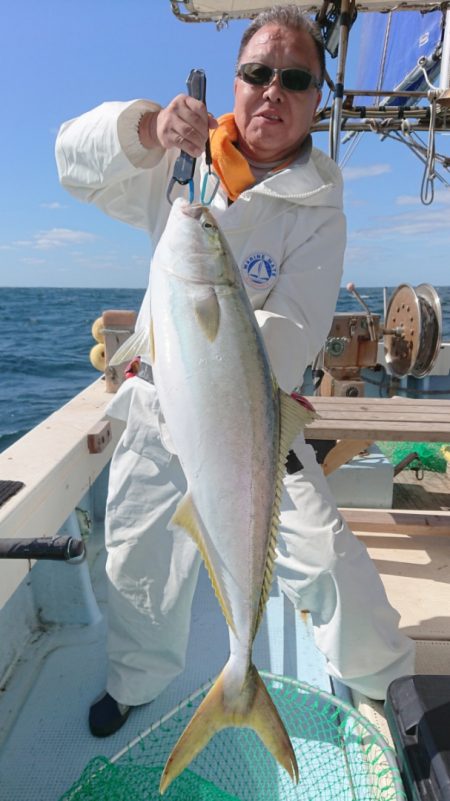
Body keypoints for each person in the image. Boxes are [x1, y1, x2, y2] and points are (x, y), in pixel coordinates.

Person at [55, 5, 415, 737]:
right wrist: (146, 130)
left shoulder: (321, 209)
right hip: (160, 407)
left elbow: (291, 333)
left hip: (251, 416)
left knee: (330, 562)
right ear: (235, 82)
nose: (272, 91)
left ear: (318, 98)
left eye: (294, 78)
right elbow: (71, 160)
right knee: (137, 564)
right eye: (257, 73)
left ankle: (390, 693)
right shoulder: (179, 163)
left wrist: (217, 357)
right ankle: (137, 681)